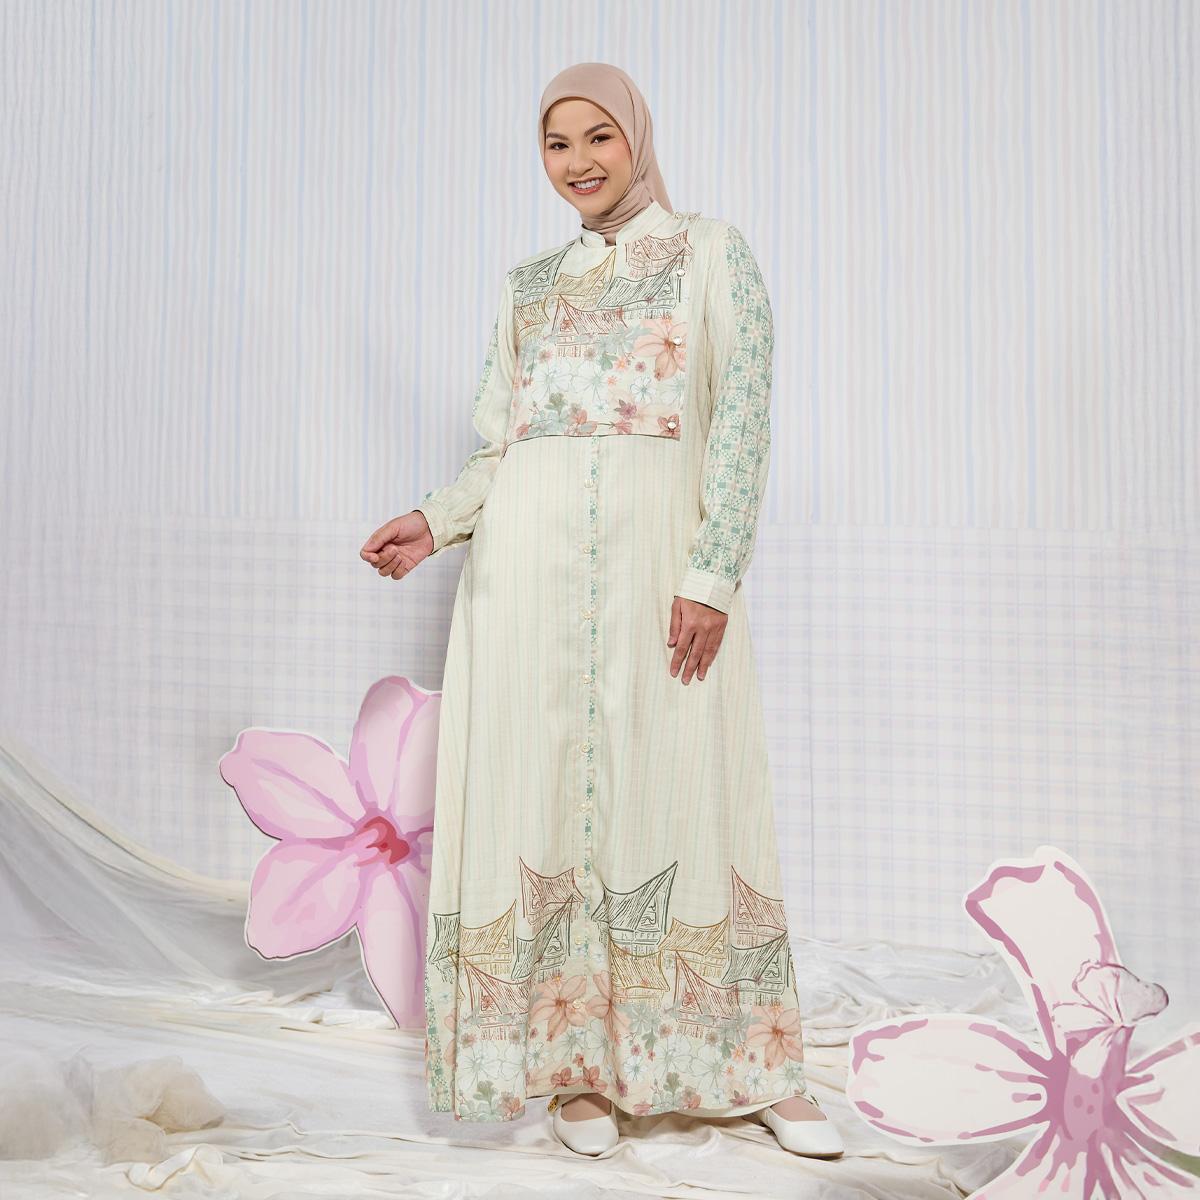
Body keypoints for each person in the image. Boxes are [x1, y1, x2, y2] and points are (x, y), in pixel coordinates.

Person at [360, 62, 843, 1160]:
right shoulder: (529, 287)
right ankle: (574, 1066)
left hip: (658, 579)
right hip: (523, 591)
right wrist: (435, 521)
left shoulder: (712, 255)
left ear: (636, 138)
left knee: (691, 796)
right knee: (541, 811)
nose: (577, 162)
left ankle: (749, 1063)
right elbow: (503, 448)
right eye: (555, 143)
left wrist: (711, 577)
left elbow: (743, 422)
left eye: (597, 137)